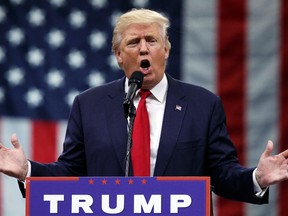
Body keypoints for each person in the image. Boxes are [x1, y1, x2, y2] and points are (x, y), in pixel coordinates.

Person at [0, 8, 288, 205]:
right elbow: (70, 172)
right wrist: (27, 170)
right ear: (118, 55)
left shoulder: (203, 105)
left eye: (151, 40)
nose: (143, 49)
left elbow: (222, 174)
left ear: (166, 49)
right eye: (133, 42)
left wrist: (257, 178)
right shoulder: (89, 104)